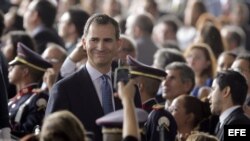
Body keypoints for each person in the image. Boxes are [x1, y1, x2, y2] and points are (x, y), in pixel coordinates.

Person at [45, 14, 122, 141]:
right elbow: (50, 137)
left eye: (107, 40)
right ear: (84, 43)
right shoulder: (64, 89)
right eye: (94, 40)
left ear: (118, 44)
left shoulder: (129, 89)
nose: (101, 47)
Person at [8, 43, 52, 138]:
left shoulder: (38, 99)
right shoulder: (14, 100)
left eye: (14, 65)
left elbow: (29, 132)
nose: (10, 68)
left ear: (25, 72)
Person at [208, 70, 250, 141]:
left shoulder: (238, 124)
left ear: (226, 91)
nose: (209, 96)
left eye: (213, 89)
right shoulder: (222, 122)